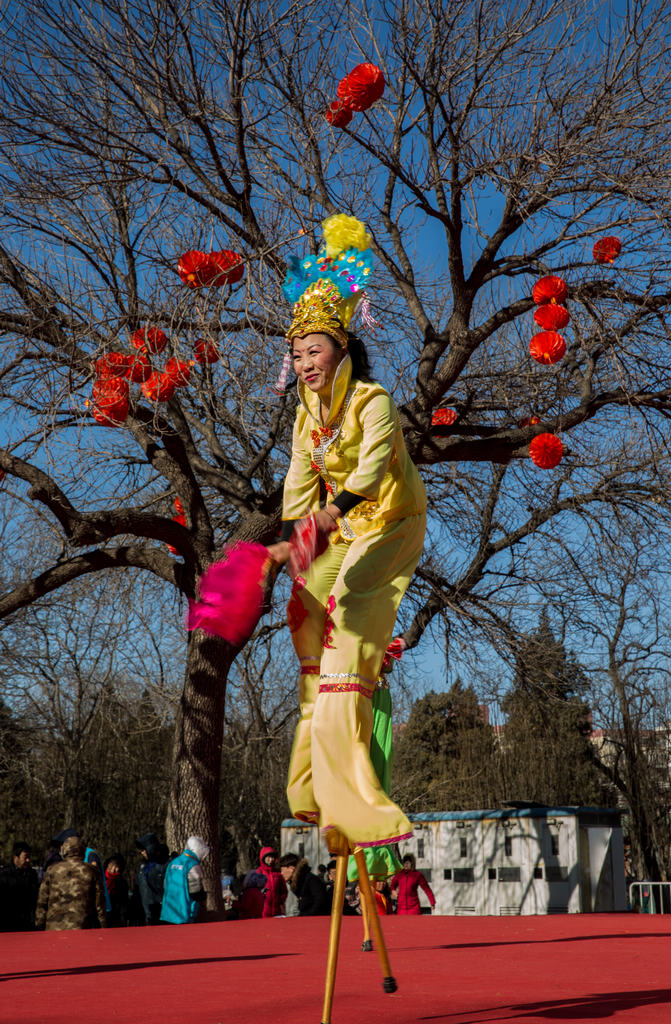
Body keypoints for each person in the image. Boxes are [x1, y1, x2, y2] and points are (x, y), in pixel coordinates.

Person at [268, 214, 427, 858]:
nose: (306, 362)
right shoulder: (308, 415)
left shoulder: (373, 401)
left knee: (352, 621)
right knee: (303, 607)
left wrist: (325, 521)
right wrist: (286, 548)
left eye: (317, 350)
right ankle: (308, 784)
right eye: (298, 352)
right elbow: (299, 487)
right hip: (346, 528)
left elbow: (368, 472)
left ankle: (356, 796)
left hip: (389, 524)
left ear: (343, 349)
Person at [35, 835, 107, 930]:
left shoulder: (52, 870)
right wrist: (103, 925)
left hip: (54, 928)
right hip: (82, 928)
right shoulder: (91, 871)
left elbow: (42, 901)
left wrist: (39, 924)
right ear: (83, 851)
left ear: (65, 851)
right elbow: (100, 904)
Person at [160, 836, 209, 924]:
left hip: (168, 912)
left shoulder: (173, 862)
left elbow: (165, 885)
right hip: (184, 913)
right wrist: (204, 896)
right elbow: (195, 892)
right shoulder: (192, 865)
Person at [0, 841, 40, 931]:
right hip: (8, 924)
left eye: (29, 857)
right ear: (15, 857)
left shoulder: (32, 875)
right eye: (25, 857)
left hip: (27, 924)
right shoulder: (4, 875)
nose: (28, 861)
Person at [242, 846, 287, 918]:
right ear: (263, 858)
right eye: (268, 857)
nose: (271, 860)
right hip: (262, 911)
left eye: (272, 857)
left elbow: (283, 891)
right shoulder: (257, 873)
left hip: (277, 911)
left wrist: (281, 902)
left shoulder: (278, 874)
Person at [135, 831, 168, 925]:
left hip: (160, 913)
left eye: (143, 849)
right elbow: (138, 886)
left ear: (151, 848)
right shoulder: (144, 865)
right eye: (141, 850)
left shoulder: (164, 864)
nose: (142, 852)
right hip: (145, 913)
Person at [104, 854, 129, 927]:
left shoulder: (121, 881)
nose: (113, 868)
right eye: (112, 865)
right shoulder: (100, 878)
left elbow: (124, 902)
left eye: (117, 866)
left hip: (116, 914)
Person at [279, 852, 301, 917]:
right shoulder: (289, 884)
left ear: (291, 869)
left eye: (282, 870)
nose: (281, 873)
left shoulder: (303, 883)